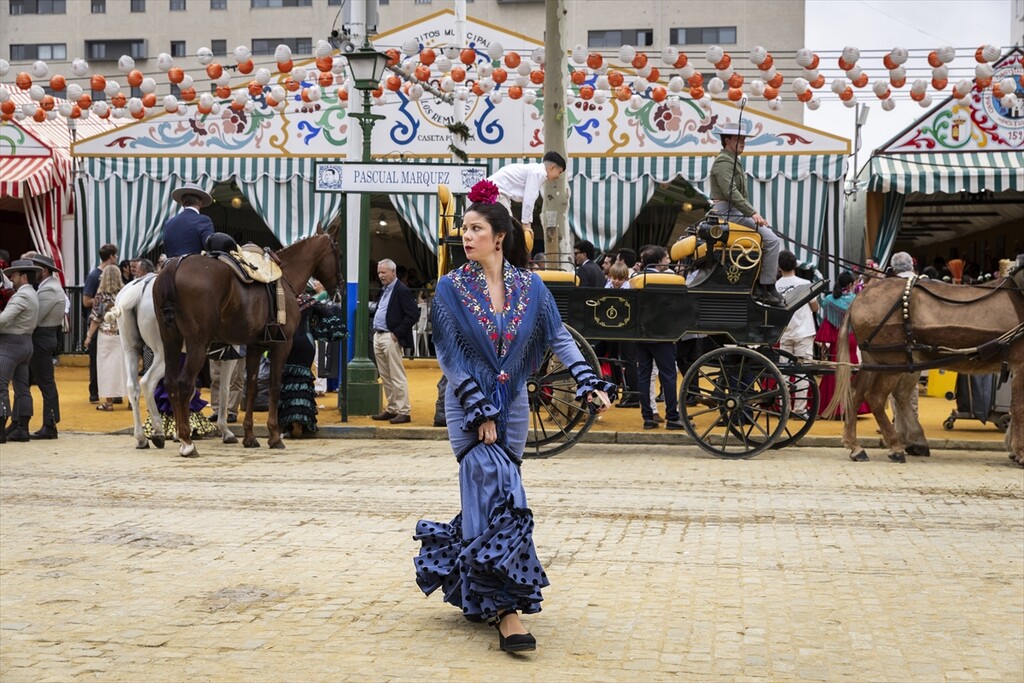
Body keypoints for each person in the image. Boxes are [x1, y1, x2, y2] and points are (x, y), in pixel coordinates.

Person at [413, 179, 614, 653]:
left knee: (494, 497)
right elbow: (449, 356)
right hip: (469, 407)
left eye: (476, 229)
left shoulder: (532, 286)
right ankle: (507, 611)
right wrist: (478, 409)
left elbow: (558, 336)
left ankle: (474, 587)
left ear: (499, 236)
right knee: (498, 489)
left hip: (516, 408)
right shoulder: (451, 287)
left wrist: (588, 381)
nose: (467, 236)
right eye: (464, 229)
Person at [709, 122, 784, 306]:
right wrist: (752, 213)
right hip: (726, 212)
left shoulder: (733, 161)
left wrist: (752, 214)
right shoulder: (723, 162)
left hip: (732, 211)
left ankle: (759, 284)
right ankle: (767, 286)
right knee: (772, 240)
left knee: (766, 238)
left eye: (743, 139)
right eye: (738, 139)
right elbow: (730, 191)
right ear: (727, 140)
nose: (743, 142)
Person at [631, 246, 684, 430]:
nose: (669, 261)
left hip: (641, 334)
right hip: (663, 334)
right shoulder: (667, 279)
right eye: (666, 258)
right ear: (660, 261)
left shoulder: (636, 278)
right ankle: (673, 416)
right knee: (668, 376)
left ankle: (648, 417)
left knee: (644, 376)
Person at [279, 290, 345, 437]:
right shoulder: (310, 301)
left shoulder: (283, 299)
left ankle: (288, 423)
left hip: (288, 342)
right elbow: (329, 315)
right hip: (306, 343)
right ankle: (302, 422)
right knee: (303, 380)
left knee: (288, 380)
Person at [815, 272, 870, 418]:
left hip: (836, 337)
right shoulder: (856, 299)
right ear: (851, 285)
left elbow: (827, 322)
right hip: (851, 336)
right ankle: (852, 406)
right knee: (852, 367)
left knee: (834, 369)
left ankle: (831, 406)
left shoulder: (829, 300)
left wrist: (824, 341)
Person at [371, 258, 419, 424]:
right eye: (379, 272)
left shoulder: (401, 290)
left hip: (390, 337)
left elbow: (413, 313)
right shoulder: (385, 290)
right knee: (385, 375)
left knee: (397, 375)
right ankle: (392, 408)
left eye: (384, 272)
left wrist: (396, 334)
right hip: (379, 335)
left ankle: (404, 411)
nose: (381, 275)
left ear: (393, 272)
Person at [0, 260, 41, 443]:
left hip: (11, 344)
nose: (12, 279)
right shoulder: (32, 294)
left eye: (15, 275)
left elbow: (4, 320)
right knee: (22, 388)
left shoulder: (21, 296)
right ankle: (22, 428)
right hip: (26, 343)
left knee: (1, 386)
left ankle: (1, 430)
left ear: (23, 276)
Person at [487, 151, 567, 244]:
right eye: (559, 172)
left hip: (493, 192)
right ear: (552, 167)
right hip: (495, 193)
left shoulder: (535, 170)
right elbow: (529, 200)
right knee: (507, 229)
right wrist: (526, 225)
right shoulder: (538, 173)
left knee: (503, 228)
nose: (558, 176)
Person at [775, 250, 819, 417]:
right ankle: (800, 409)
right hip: (804, 331)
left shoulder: (775, 286)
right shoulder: (805, 283)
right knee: (803, 372)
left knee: (783, 372)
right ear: (795, 265)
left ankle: (783, 407)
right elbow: (815, 307)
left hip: (785, 332)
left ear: (779, 267)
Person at [25, 254, 65, 439]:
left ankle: (49, 425)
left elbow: (34, 316)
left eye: (36, 269)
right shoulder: (49, 287)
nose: (33, 272)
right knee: (41, 382)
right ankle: (45, 423)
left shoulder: (48, 289)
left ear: (45, 271)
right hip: (44, 337)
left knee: (45, 383)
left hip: (41, 338)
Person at [85, 265, 126, 412]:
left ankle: (109, 403)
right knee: (124, 367)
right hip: (122, 335)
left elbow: (96, 318)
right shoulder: (124, 293)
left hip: (106, 335)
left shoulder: (100, 296)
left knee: (106, 368)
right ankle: (130, 401)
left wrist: (89, 336)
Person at [82, 243, 119, 404]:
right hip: (99, 324)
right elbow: (85, 301)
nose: (116, 258)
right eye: (115, 255)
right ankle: (94, 391)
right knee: (97, 360)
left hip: (104, 324)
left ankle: (113, 392)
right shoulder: (94, 276)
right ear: (111, 256)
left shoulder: (106, 275)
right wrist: (105, 301)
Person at [162, 182, 214, 258]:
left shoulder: (169, 222)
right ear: (200, 202)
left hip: (171, 262)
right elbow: (210, 247)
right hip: (195, 262)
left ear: (182, 202)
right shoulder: (203, 220)